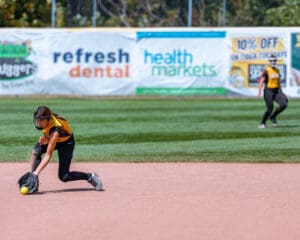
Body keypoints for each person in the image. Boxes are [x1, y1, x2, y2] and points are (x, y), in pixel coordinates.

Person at [30, 106, 102, 192]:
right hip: (54, 139)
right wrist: (47, 139)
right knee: (36, 151)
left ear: (47, 119)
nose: (38, 122)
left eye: (41, 120)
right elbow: (51, 136)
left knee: (64, 176)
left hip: (66, 144)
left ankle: (90, 176)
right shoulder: (48, 121)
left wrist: (35, 173)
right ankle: (34, 183)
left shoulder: (56, 129)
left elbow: (48, 155)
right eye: (37, 119)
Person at [257, 55, 288, 128]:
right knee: (270, 108)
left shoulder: (277, 70)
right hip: (268, 91)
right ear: (269, 62)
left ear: (276, 61)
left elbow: (278, 82)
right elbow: (261, 81)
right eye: (271, 60)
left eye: (274, 60)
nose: (272, 62)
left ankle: (272, 117)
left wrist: (281, 92)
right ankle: (262, 123)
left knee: (284, 104)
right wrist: (259, 91)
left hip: (276, 90)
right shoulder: (266, 70)